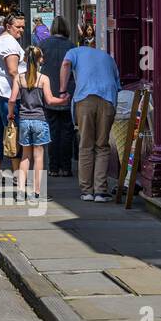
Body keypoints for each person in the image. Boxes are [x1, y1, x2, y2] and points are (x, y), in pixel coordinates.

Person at [60, 41, 122, 202]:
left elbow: (66, 64)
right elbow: (117, 84)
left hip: (85, 98)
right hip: (108, 99)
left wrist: (62, 90)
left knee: (86, 145)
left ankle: (87, 191)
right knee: (102, 145)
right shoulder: (108, 57)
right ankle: (101, 191)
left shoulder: (73, 52)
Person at [10, 45, 70, 201]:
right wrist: (63, 100)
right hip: (39, 120)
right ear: (39, 60)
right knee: (39, 157)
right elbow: (50, 100)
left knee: (25, 156)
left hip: (24, 120)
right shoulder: (43, 79)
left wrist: (10, 113)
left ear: (25, 59)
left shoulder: (19, 78)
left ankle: (21, 191)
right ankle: (38, 192)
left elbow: (12, 99)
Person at [0, 13, 26, 185]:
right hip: (7, 93)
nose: (21, 30)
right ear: (9, 26)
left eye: (23, 27)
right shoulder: (9, 43)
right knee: (12, 132)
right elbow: (13, 71)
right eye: (18, 27)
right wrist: (27, 87)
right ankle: (17, 174)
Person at [40, 17, 77, 176]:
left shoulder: (43, 45)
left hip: (49, 93)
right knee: (67, 131)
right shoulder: (71, 46)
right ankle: (66, 167)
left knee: (53, 130)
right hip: (68, 93)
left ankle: (53, 167)